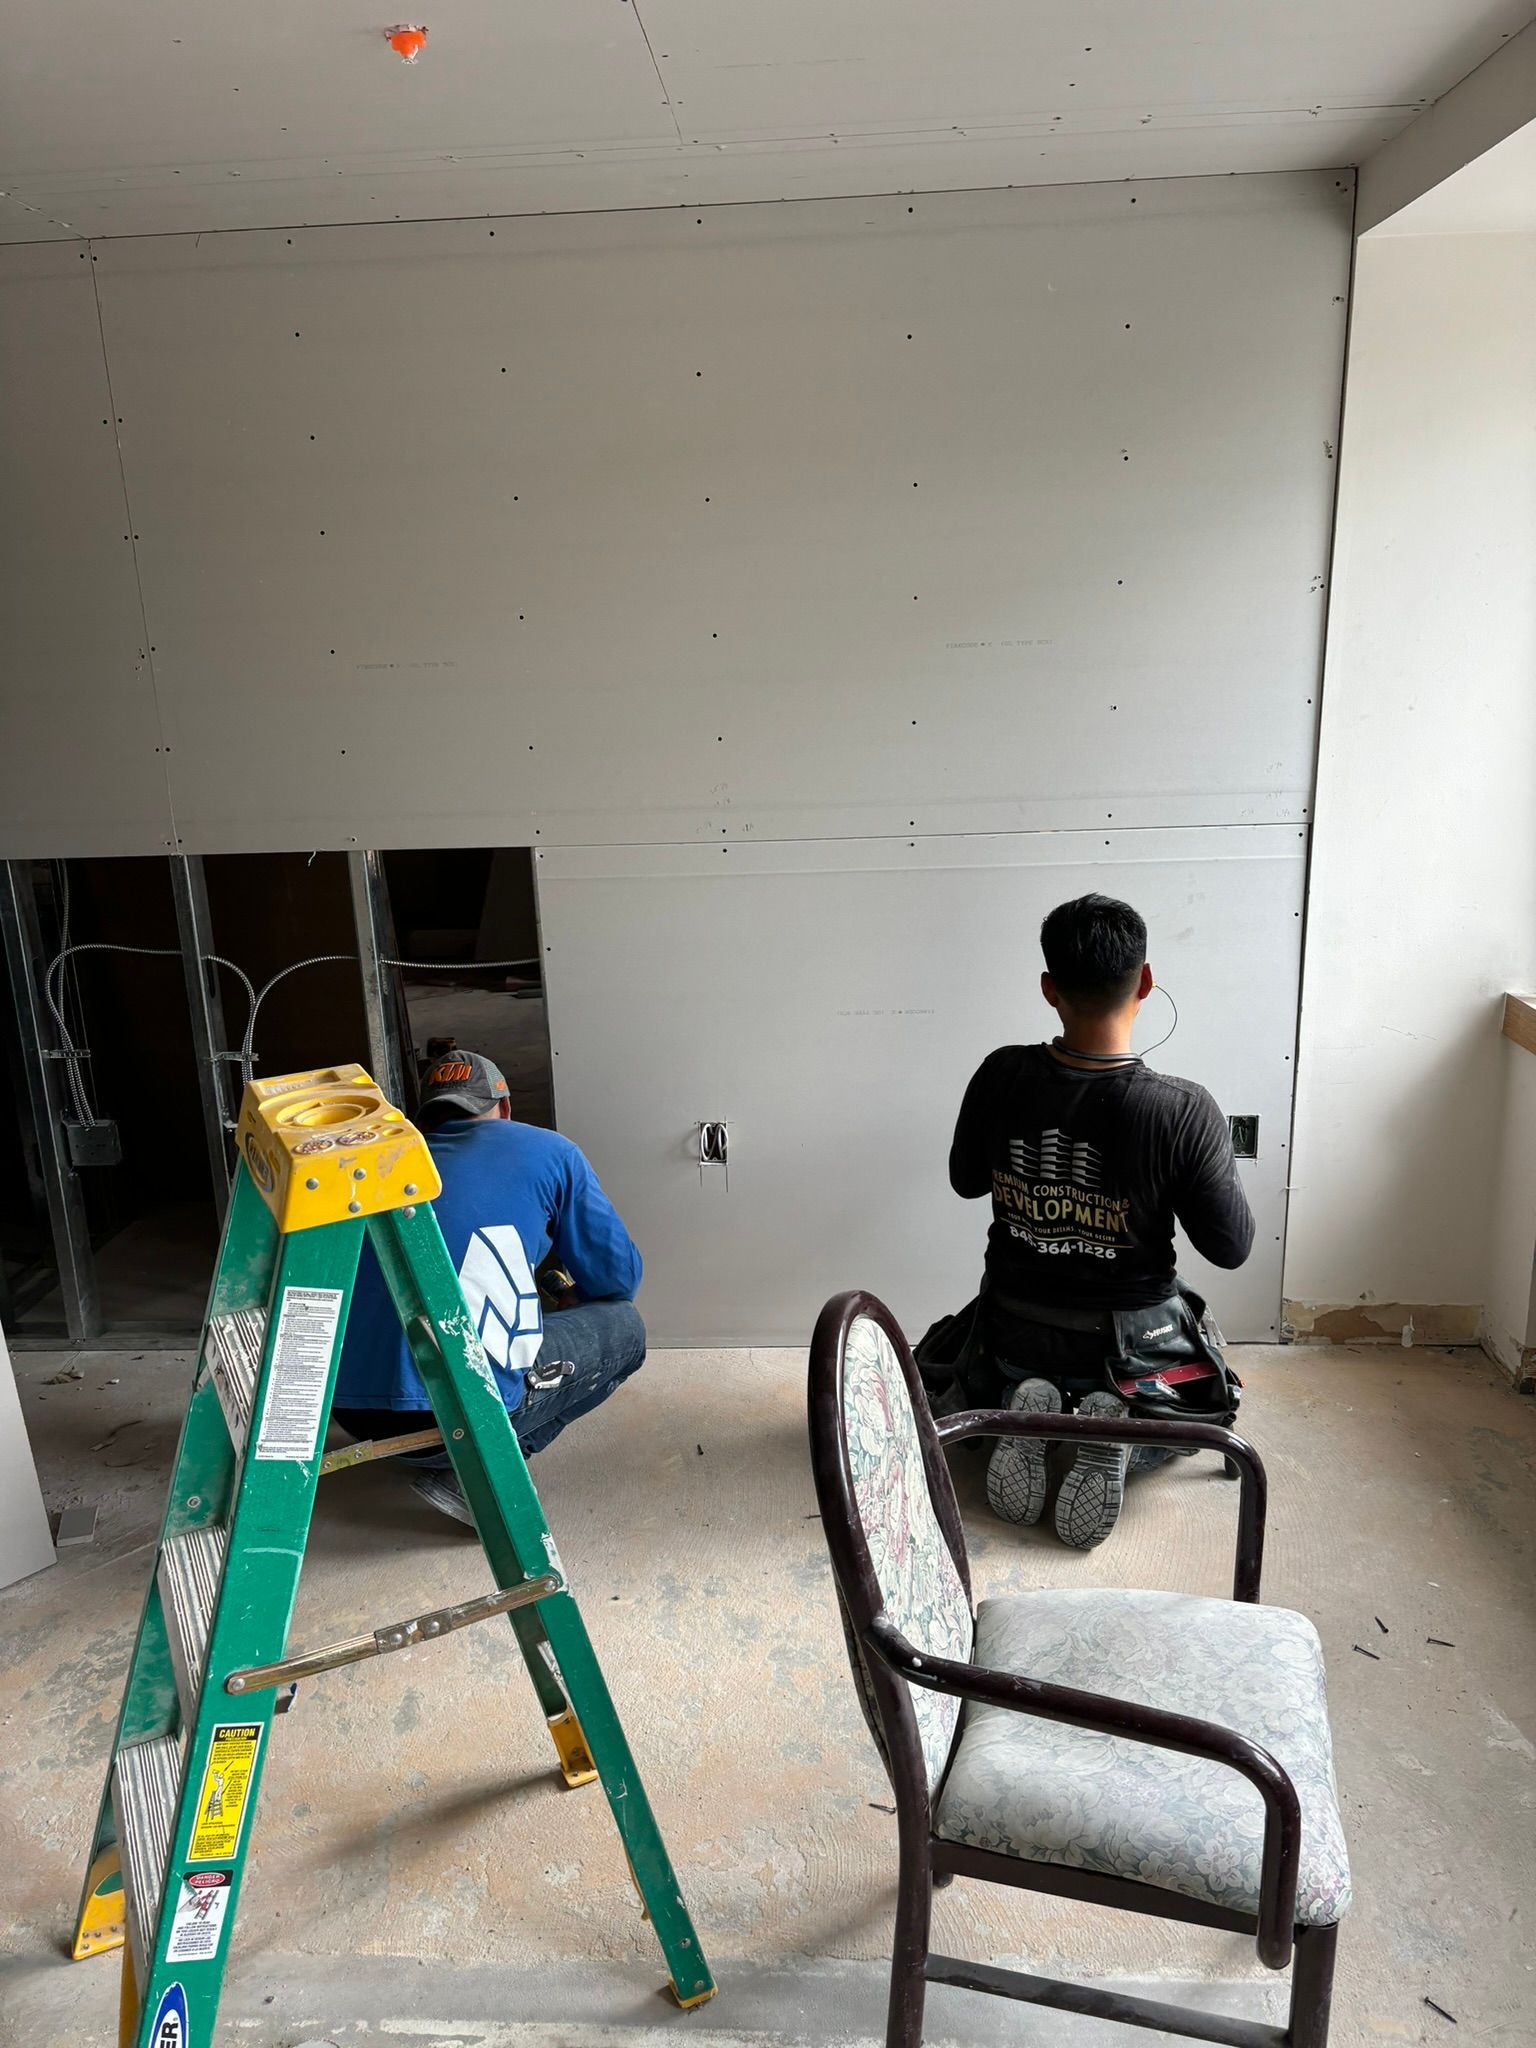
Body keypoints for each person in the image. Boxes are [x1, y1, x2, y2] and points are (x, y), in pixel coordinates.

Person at [946, 894, 1254, 1549]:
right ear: (1145, 981)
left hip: (1013, 1328)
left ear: (1049, 989)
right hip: (1132, 1342)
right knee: (1199, 1373)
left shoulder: (1001, 1075)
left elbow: (965, 1182)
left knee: (946, 1360)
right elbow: (1232, 1247)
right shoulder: (1183, 1109)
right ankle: (1118, 1436)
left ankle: (1028, 1413)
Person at [332, 1049, 645, 1526]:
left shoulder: (370, 1164)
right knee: (626, 1328)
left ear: (426, 1117)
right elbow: (618, 1279)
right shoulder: (551, 1152)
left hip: (353, 1417)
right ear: (504, 1108)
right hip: (454, 1420)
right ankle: (478, 1475)